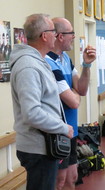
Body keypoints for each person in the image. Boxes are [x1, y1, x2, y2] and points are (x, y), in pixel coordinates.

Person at [9, 13, 74, 190]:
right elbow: (31, 113)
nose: (56, 35)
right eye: (53, 31)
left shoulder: (39, 61)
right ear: (45, 36)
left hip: (45, 145)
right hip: (38, 149)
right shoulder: (29, 66)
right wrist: (63, 128)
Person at [45, 17, 96, 190]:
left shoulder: (65, 58)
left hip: (71, 130)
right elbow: (74, 102)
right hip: (57, 132)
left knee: (72, 177)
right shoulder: (48, 62)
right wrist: (73, 93)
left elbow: (81, 90)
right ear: (60, 36)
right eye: (71, 33)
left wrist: (87, 66)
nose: (74, 36)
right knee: (59, 180)